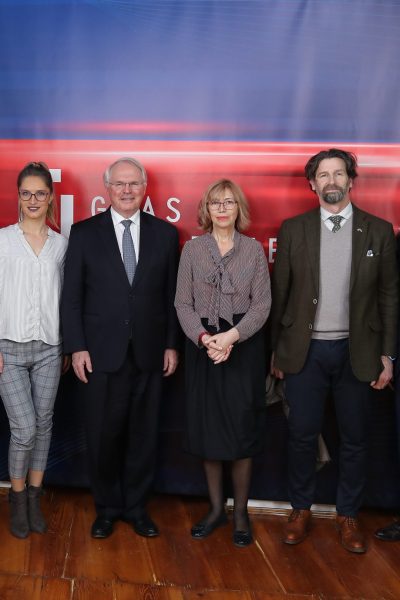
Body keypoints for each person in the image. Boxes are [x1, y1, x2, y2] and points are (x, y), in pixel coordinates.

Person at [270, 148, 398, 553]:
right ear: (312, 184)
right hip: (304, 352)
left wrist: (388, 355)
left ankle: (348, 515)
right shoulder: (294, 229)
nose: (331, 181)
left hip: (358, 353)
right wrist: (276, 351)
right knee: (301, 436)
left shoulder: (379, 230)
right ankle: (300, 510)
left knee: (355, 439)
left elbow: (389, 296)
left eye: (338, 174)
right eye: (323, 175)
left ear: (351, 180)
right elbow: (280, 293)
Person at [61, 157, 180, 539]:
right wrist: (77, 347)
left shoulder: (166, 235)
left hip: (149, 353)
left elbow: (172, 297)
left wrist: (171, 344)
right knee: (103, 436)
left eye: (134, 184)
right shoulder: (83, 233)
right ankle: (107, 508)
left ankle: (136, 508)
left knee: (144, 436)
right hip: (99, 355)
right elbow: (72, 299)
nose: (127, 190)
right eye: (120, 184)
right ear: (107, 189)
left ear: (144, 188)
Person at [175, 179, 271, 547]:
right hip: (203, 347)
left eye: (229, 202)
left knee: (242, 430)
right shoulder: (192, 250)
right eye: (215, 202)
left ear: (238, 209)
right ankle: (216, 509)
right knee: (208, 430)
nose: (222, 208)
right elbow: (183, 303)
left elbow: (262, 305)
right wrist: (204, 339)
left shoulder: (253, 250)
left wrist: (231, 337)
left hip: (243, 348)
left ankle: (240, 514)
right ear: (206, 209)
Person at [0, 162, 68, 538]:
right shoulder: (3, 241)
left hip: (49, 349)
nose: (33, 200)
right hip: (8, 349)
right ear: (18, 196)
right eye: (26, 193)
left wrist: (66, 347)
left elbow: (66, 300)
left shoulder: (61, 245)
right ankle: (16, 496)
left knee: (43, 424)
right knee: (23, 427)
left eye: (40, 193)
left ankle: (34, 498)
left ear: (50, 197)